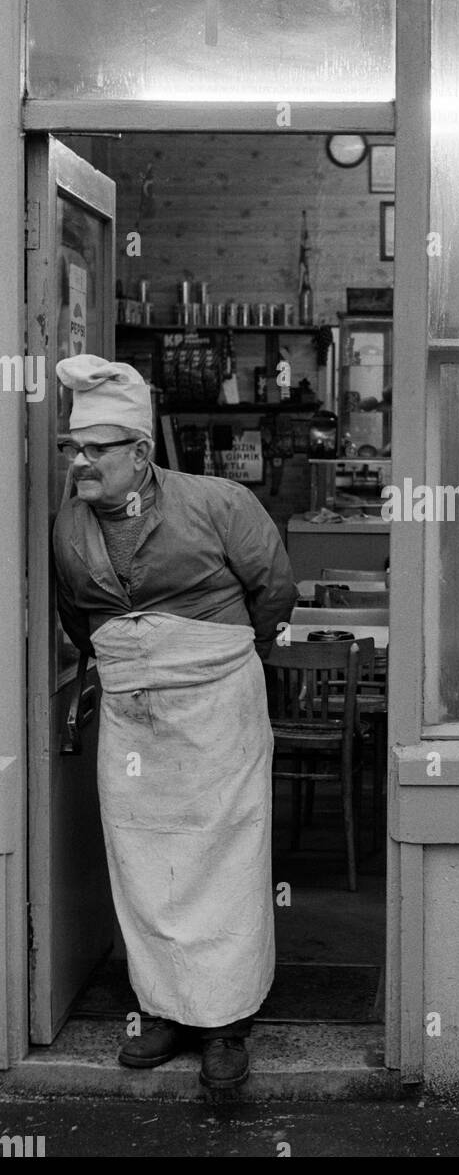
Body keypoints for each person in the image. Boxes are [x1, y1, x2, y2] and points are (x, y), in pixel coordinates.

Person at [52, 355, 297, 1090]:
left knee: (224, 852)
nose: (82, 463)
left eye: (98, 450)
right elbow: (75, 612)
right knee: (141, 855)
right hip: (131, 712)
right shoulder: (69, 520)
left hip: (217, 702)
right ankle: (162, 1009)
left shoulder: (219, 502)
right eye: (75, 449)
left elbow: (273, 591)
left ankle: (225, 1023)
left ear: (140, 451)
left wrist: (214, 657)